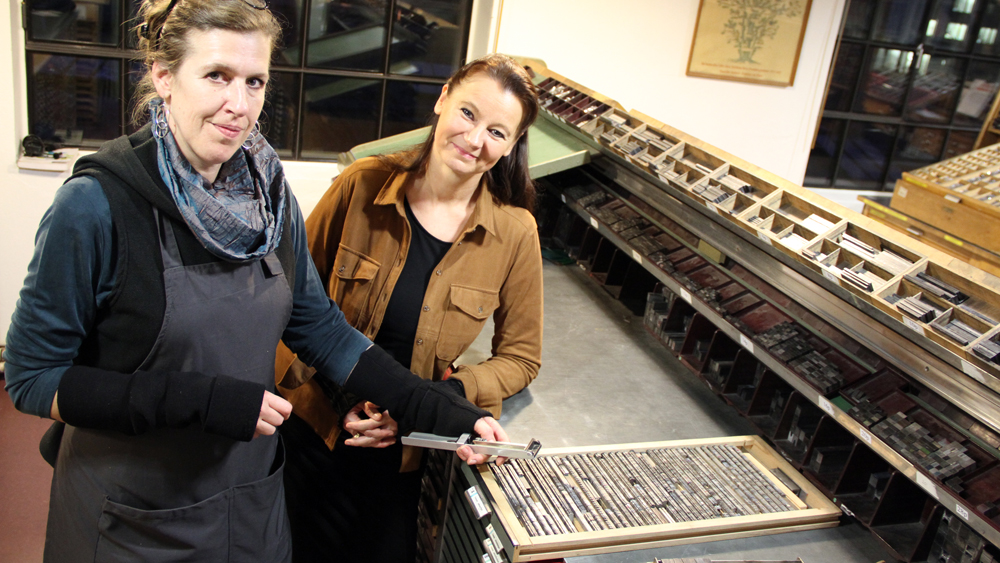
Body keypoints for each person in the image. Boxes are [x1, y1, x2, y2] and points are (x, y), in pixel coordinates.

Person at [1, 1, 507, 561]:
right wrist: (193, 399)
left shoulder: (267, 194)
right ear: (164, 76)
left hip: (249, 503)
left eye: (255, 82)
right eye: (216, 76)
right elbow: (33, 378)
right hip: (136, 514)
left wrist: (432, 406)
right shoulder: (95, 206)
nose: (238, 106)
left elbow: (320, 328)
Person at [274, 53, 543, 562]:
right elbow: (285, 298)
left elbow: (521, 358)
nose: (475, 139)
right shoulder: (361, 185)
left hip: (407, 454)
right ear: (442, 99)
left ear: (511, 145)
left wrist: (442, 398)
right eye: (468, 113)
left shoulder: (514, 233)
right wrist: (340, 399)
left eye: (497, 132)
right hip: (312, 433)